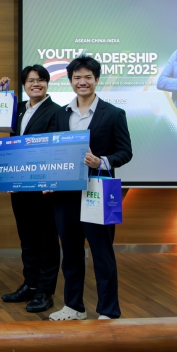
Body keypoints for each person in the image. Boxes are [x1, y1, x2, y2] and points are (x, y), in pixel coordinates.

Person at [49, 55, 132, 321]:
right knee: (71, 254)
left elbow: (125, 152)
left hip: (99, 192)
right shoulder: (60, 114)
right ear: (71, 81)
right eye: (77, 77)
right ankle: (74, 307)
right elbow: (54, 152)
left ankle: (108, 310)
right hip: (66, 194)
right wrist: (49, 180)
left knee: (102, 254)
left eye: (87, 77)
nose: (82, 82)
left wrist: (102, 161)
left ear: (96, 80)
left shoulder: (114, 113)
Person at [0, 66, 62, 313]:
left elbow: (54, 148)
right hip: (19, 186)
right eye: (31, 80)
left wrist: (50, 180)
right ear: (24, 84)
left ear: (47, 83)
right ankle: (30, 285)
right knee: (27, 239)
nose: (36, 84)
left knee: (46, 240)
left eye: (41, 80)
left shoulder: (56, 112)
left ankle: (46, 291)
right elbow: (7, 137)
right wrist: (2, 93)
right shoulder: (19, 108)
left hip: (43, 188)